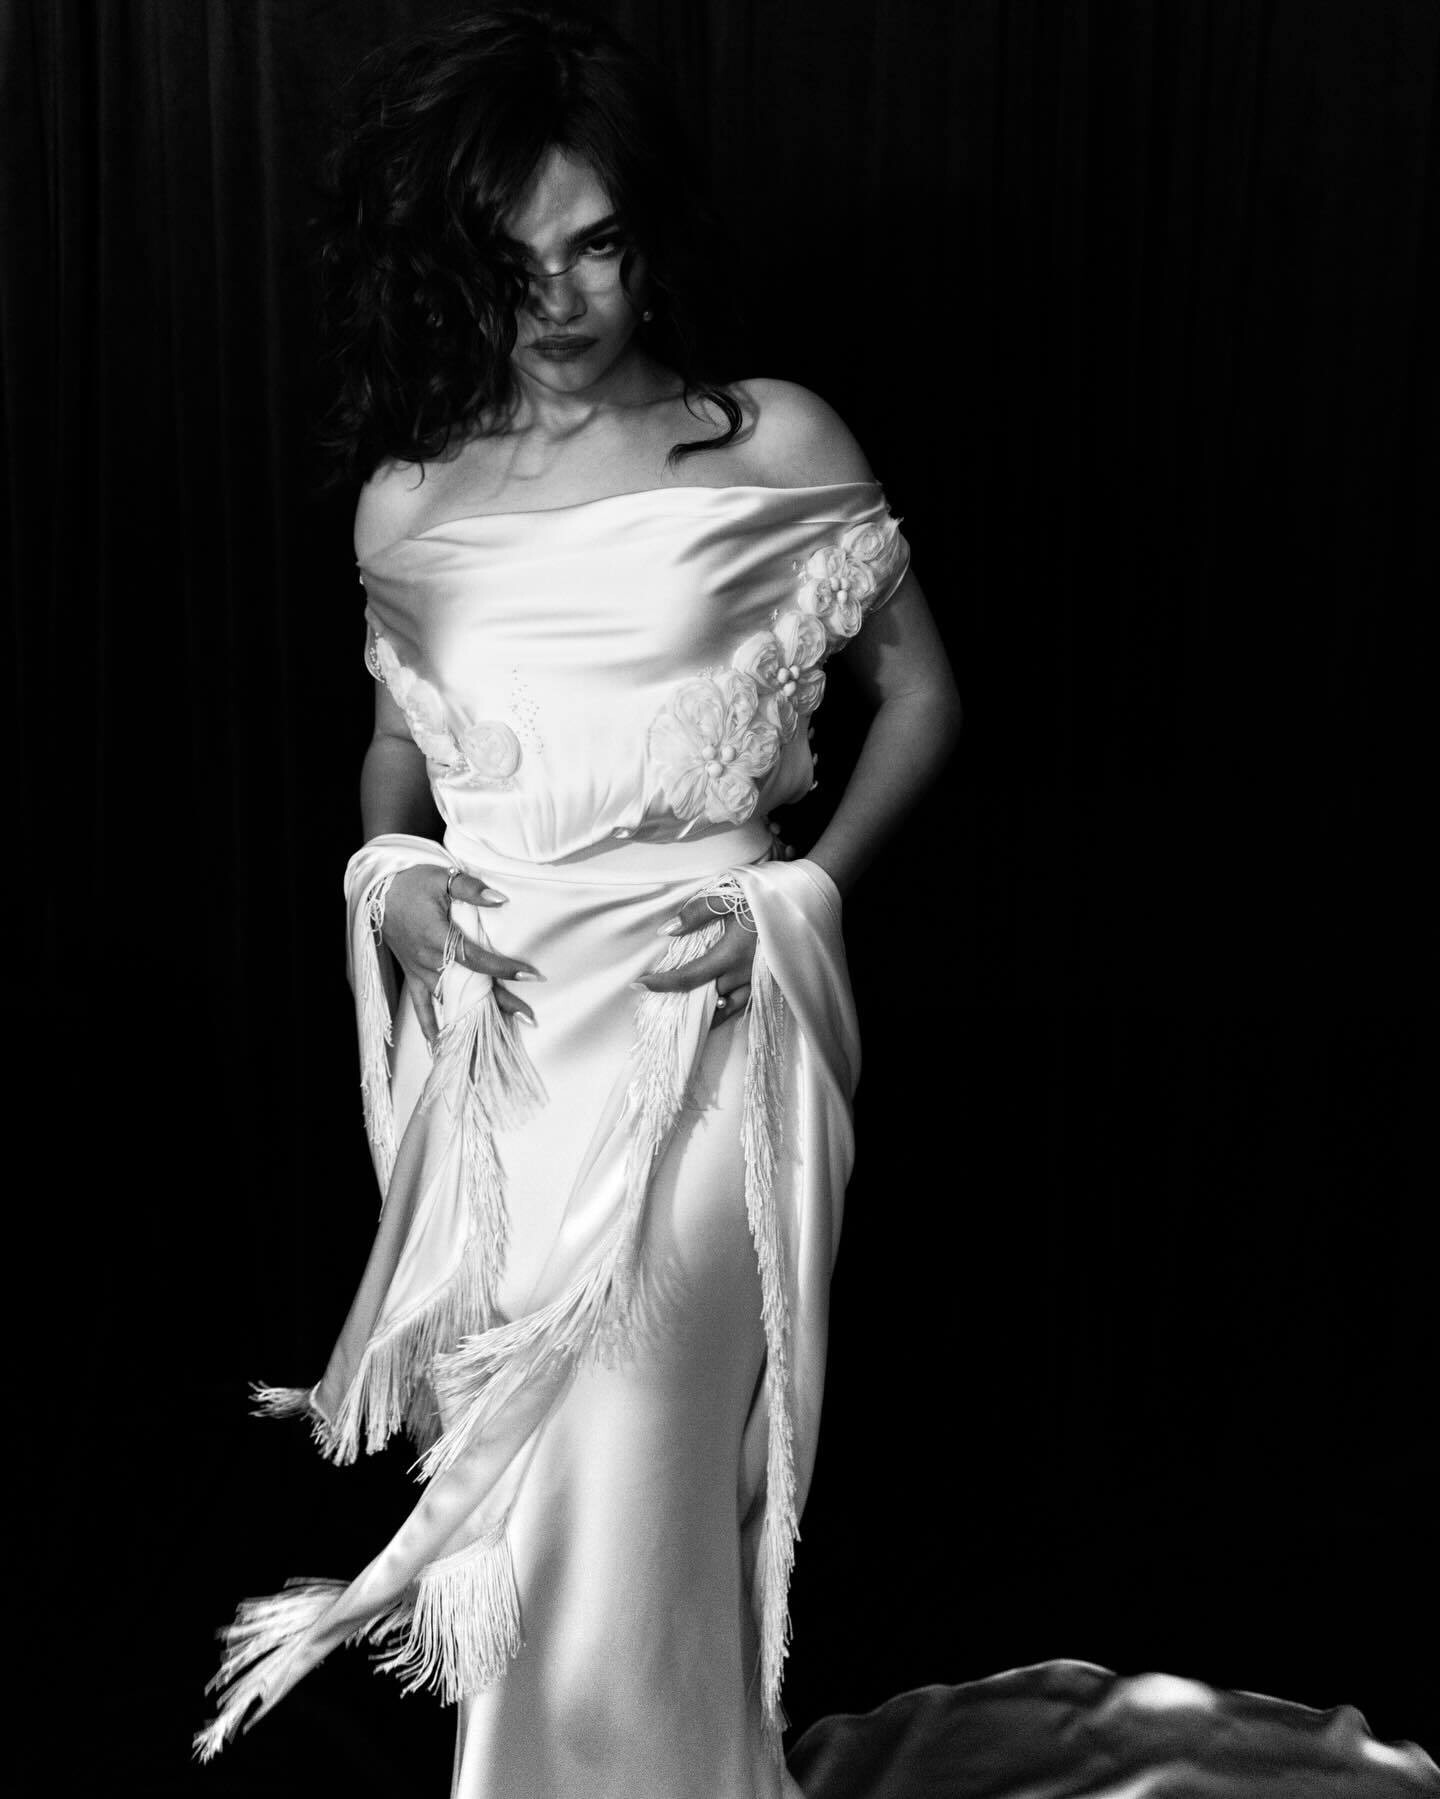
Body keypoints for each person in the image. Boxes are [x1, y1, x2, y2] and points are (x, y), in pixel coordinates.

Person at [197, 8, 959, 1795]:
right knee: (529, 1484)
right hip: (509, 1053)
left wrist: (796, 900)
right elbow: (398, 756)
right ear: (445, 259)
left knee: (635, 1442)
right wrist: (391, 877)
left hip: (704, 1026)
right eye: (514, 255)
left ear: (650, 238)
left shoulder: (769, 443)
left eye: (597, 244)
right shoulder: (410, 501)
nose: (561, 297)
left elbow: (925, 697)